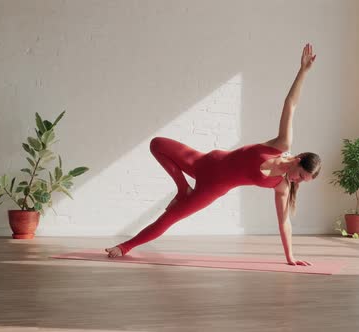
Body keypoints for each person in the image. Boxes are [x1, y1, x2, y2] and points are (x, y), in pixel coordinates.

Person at [105, 43, 321, 266]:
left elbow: (284, 222)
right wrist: (303, 71)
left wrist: (290, 257)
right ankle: (182, 189)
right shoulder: (280, 144)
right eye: (301, 176)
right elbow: (291, 104)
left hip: (211, 188)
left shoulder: (281, 186)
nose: (297, 182)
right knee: (157, 144)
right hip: (202, 162)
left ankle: (124, 247)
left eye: (302, 181)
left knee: (168, 219)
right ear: (297, 160)